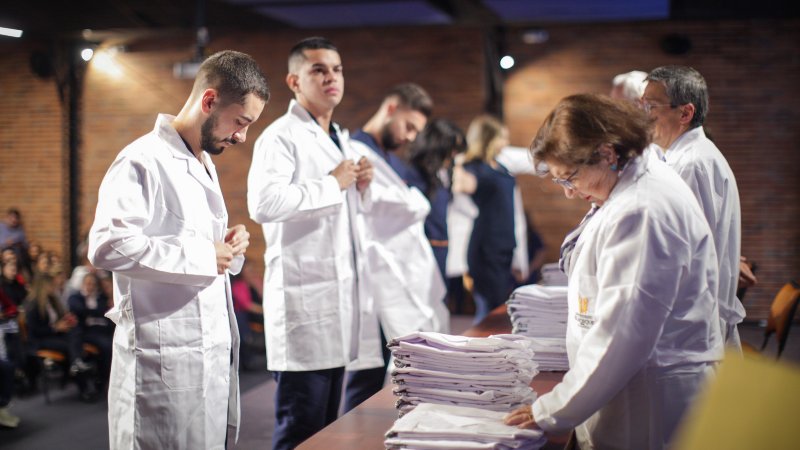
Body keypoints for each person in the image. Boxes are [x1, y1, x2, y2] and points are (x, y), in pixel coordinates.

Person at [504, 94, 724, 449]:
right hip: (633, 389)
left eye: (570, 177)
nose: (569, 194)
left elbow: (623, 332)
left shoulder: (643, 209)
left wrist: (553, 409)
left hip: (652, 401)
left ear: (608, 154)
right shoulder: (626, 189)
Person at [88, 50, 268, 449]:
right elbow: (107, 245)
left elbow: (190, 243)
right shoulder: (140, 160)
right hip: (160, 363)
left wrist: (228, 247)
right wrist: (206, 255)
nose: (241, 136)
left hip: (204, 358)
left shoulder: (204, 160)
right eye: (240, 122)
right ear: (209, 101)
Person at [246, 36, 373, 449]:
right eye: (318, 69)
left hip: (337, 306)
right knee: (299, 429)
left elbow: (341, 222)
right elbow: (263, 203)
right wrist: (332, 184)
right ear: (294, 81)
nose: (331, 77)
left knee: (326, 429)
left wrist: (360, 187)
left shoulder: (340, 137)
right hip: (306, 307)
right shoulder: (280, 137)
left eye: (336, 69)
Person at [345, 84, 449, 413]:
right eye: (409, 127)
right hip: (372, 279)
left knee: (384, 374)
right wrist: (409, 203)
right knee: (365, 378)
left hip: (398, 274)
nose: (410, 137)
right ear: (391, 108)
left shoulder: (390, 160)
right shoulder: (354, 150)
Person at [644, 65, 746, 348]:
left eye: (651, 106)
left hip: (692, 329)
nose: (643, 116)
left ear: (685, 113)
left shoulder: (690, 164)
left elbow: (683, 254)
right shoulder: (684, 157)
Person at [453, 114, 517, 324]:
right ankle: (478, 353)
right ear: (488, 138)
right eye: (502, 138)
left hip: (504, 244)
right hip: (486, 246)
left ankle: (490, 352)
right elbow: (460, 186)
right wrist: (459, 163)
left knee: (499, 308)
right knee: (489, 309)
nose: (506, 143)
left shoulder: (501, 167)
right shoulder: (474, 167)